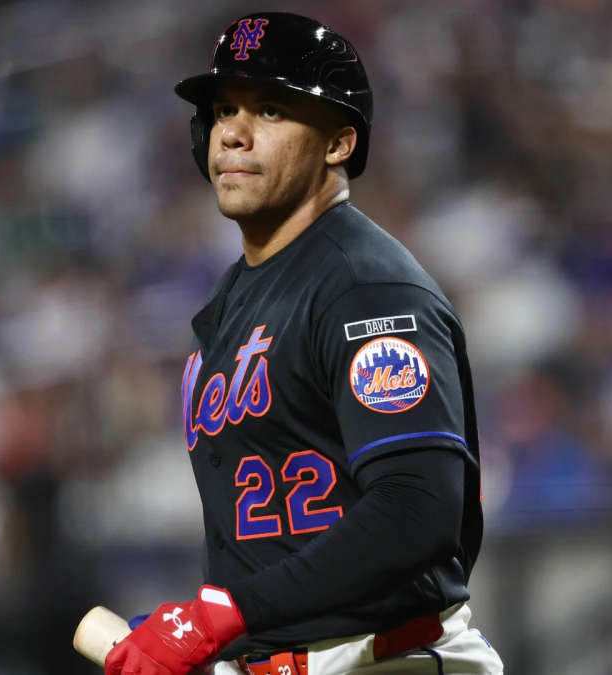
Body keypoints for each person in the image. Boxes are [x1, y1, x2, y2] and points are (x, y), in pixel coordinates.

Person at [102, 12, 503, 675]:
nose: (233, 132)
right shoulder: (233, 301)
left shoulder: (366, 289)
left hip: (386, 659)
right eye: (223, 110)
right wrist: (206, 627)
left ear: (339, 143)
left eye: (270, 109)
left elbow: (416, 509)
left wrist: (223, 615)